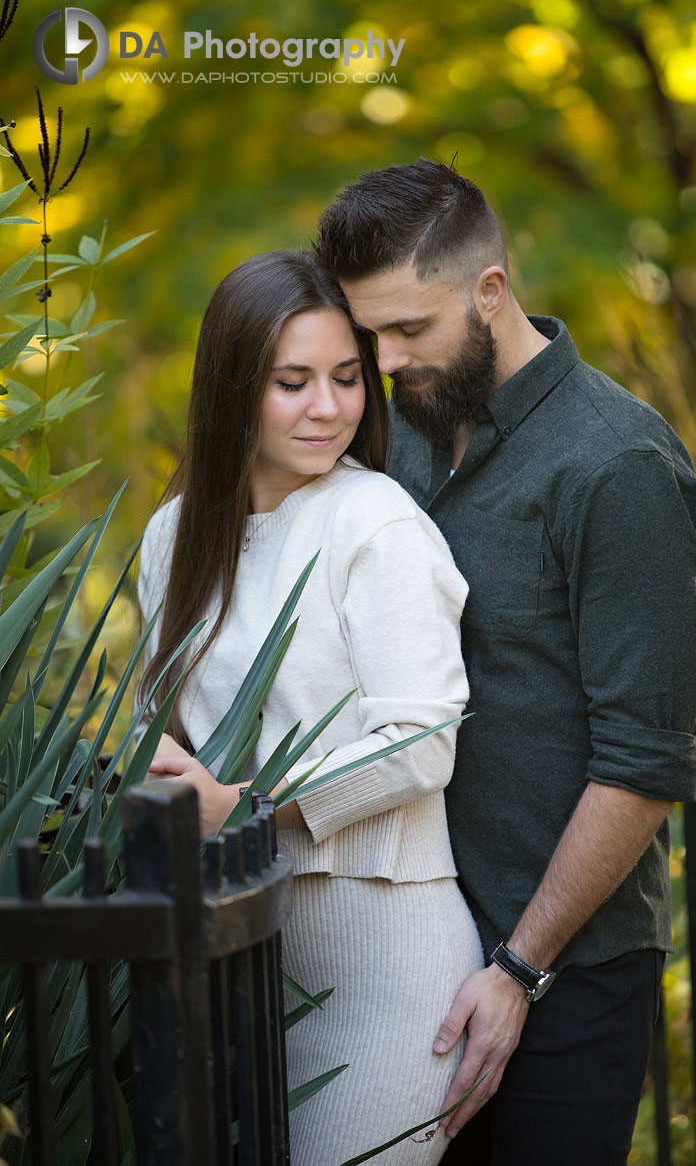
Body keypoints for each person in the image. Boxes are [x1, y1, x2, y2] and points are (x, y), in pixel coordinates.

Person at [315, 160, 696, 1166]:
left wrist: (518, 969)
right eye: (369, 333)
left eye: (411, 328)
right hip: (405, 959)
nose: (387, 358)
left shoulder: (617, 466)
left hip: (565, 973)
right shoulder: (393, 436)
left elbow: (643, 763)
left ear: (491, 289)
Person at [134, 250, 483, 1166]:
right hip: (232, 956)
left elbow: (422, 739)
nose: (328, 408)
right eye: (292, 383)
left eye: (344, 378)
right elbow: (158, 729)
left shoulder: (377, 523)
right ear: (232, 387)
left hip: (388, 964)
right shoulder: (172, 536)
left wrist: (249, 799)